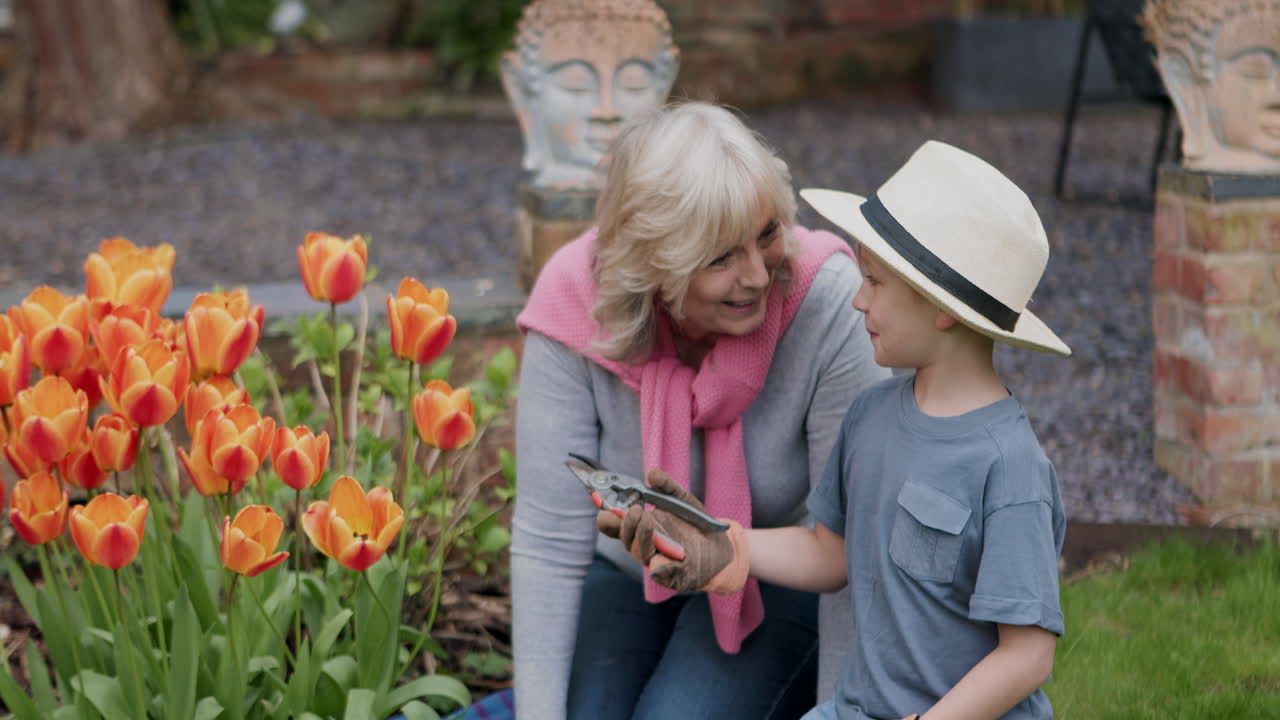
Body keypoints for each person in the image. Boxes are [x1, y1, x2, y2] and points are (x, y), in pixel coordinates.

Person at [605, 140, 1071, 720]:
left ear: (940, 306)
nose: (856, 298)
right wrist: (725, 544)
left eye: (873, 281)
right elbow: (832, 555)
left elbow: (1028, 657)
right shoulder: (871, 416)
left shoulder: (1011, 467)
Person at [512, 101, 888, 719]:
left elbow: (854, 556)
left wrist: (843, 712)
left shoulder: (830, 306)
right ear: (653, 265)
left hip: (779, 575)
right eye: (719, 258)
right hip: (631, 568)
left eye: (766, 234)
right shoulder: (575, 301)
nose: (759, 277)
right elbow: (548, 541)